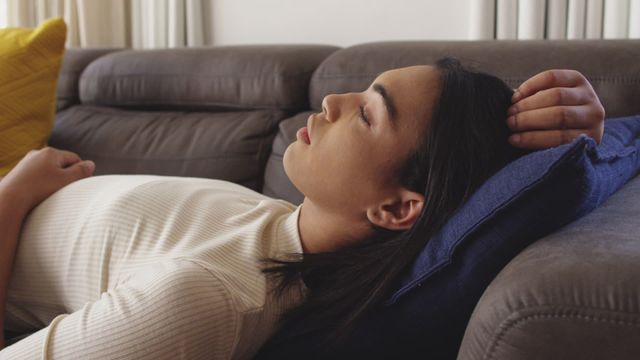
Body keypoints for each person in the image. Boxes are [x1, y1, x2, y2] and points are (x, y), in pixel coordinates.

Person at [0, 58, 605, 359]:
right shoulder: (277, 230)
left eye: (369, 113)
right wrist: (582, 124)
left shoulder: (207, 297)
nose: (333, 99)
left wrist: (18, 192)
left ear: (397, 209)